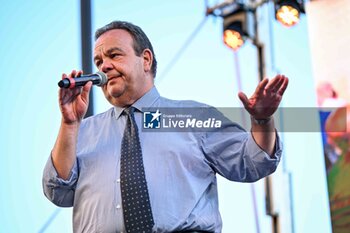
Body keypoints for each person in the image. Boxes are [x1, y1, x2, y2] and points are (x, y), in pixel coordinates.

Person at [42, 20, 288, 233]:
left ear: (145, 59)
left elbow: (254, 162)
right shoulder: (81, 132)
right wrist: (70, 123)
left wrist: (262, 120)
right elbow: (57, 191)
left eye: (114, 55)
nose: (104, 66)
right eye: (98, 61)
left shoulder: (191, 117)